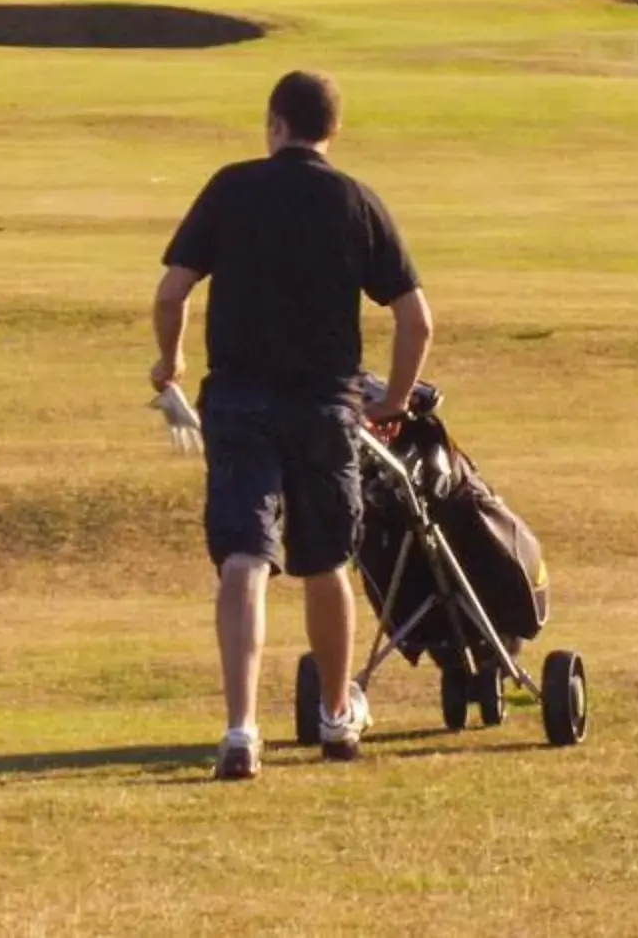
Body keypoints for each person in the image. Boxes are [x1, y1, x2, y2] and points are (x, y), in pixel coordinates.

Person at [151, 70, 433, 780]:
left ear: (275, 124)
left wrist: (170, 362)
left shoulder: (231, 187)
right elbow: (414, 319)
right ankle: (337, 714)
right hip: (326, 407)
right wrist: (394, 401)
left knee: (245, 557)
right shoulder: (355, 201)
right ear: (330, 131)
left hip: (240, 401)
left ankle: (242, 729)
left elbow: (173, 289)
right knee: (326, 561)